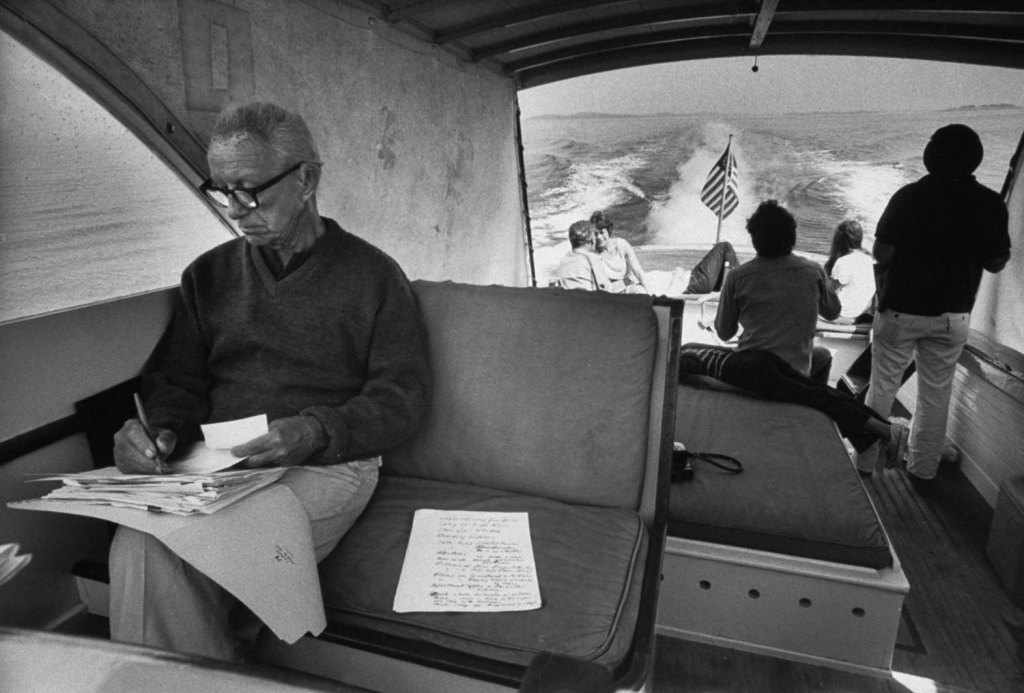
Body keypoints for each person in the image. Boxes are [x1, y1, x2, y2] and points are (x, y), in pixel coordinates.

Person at [109, 102, 431, 661]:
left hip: (328, 465)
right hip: (216, 462)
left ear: (307, 179)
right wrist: (157, 431)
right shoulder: (205, 276)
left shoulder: (375, 276)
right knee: (137, 540)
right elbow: (175, 380)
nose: (236, 210)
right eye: (222, 190)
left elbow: (400, 400)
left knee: (200, 543)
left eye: (250, 190)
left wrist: (312, 431)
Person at [856, 124, 1010, 484]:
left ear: (932, 156)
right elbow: (996, 261)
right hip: (951, 317)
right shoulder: (990, 203)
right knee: (935, 396)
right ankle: (923, 471)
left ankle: (863, 465)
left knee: (881, 389)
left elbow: (881, 252)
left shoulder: (909, 197)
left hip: (900, 313)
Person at [680, 345, 908, 467]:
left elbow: (709, 383)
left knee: (819, 400)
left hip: (745, 373)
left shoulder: (677, 365)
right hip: (756, 357)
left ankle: (887, 431)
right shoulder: (687, 347)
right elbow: (725, 350)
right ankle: (883, 433)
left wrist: (752, 393)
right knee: (822, 392)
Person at [715, 199, 841, 384]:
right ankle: (812, 404)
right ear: (791, 236)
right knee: (822, 355)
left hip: (749, 371)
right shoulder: (813, 271)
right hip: (795, 373)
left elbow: (724, 333)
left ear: (754, 238)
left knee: (692, 351)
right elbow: (833, 312)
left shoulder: (737, 277)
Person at [824, 220, 875, 323]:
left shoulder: (844, 262)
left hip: (843, 314)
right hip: (861, 313)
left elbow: (827, 293)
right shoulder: (870, 260)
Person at [590, 210, 651, 293]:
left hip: (627, 287)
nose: (599, 237)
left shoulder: (622, 245)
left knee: (640, 291)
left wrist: (650, 294)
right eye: (595, 234)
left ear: (609, 229)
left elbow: (638, 271)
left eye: (601, 232)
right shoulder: (592, 254)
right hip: (608, 293)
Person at [556, 220, 613, 291]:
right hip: (588, 299)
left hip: (569, 299)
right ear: (592, 240)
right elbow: (606, 289)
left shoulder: (564, 260)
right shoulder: (592, 258)